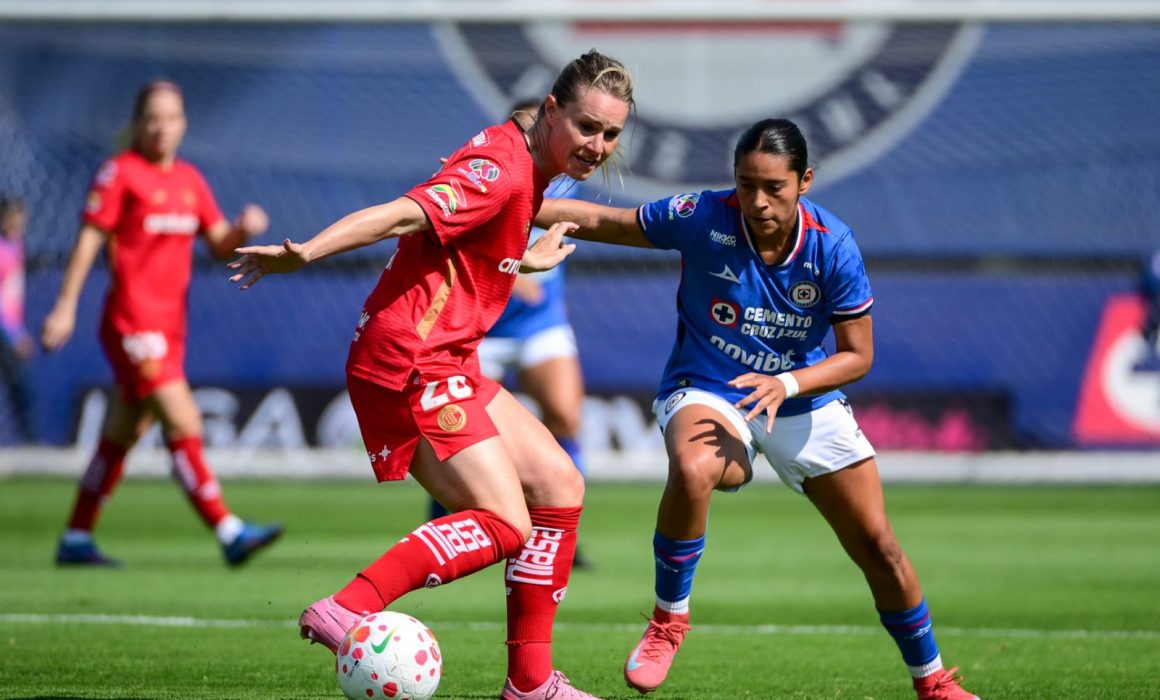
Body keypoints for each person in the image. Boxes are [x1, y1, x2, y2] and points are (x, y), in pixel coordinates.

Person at [228, 51, 633, 700]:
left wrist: (523, 262)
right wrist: (305, 252)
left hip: (448, 359)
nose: (599, 145)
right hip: (409, 361)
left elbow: (469, 246)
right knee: (507, 523)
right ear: (551, 111)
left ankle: (530, 684)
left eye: (612, 133)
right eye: (588, 126)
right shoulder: (501, 170)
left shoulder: (529, 159)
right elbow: (401, 214)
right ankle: (350, 606)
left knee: (560, 483)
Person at [535, 119, 979, 700]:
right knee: (695, 469)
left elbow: (857, 356)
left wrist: (788, 385)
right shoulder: (702, 216)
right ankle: (668, 621)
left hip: (800, 396)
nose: (759, 201)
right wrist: (508, 200)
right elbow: (606, 221)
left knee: (879, 547)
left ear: (805, 181)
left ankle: (934, 683)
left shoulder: (832, 245)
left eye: (775, 187)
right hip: (709, 387)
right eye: (746, 185)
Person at [41, 80, 283, 568]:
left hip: (170, 327)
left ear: (183, 124)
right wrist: (65, 305)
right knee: (184, 419)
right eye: (152, 117)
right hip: (132, 322)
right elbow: (90, 240)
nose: (160, 127)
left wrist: (243, 229)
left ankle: (75, 538)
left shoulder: (189, 180)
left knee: (122, 433)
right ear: (137, 121)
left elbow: (217, 243)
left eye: (170, 117)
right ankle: (229, 531)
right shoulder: (119, 173)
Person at [429, 99, 593, 570]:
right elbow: (441, 233)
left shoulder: (563, 178)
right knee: (455, 431)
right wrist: (508, 267)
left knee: (566, 414)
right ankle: (446, 520)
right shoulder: (486, 171)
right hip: (481, 324)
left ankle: (561, 529)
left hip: (541, 323)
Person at [0, 194, 35, 443]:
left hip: (10, 329)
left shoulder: (17, 246)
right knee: (20, 389)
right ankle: (29, 443)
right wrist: (15, 334)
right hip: (4, 331)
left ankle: (28, 444)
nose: (20, 220)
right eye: (14, 216)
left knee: (20, 389)